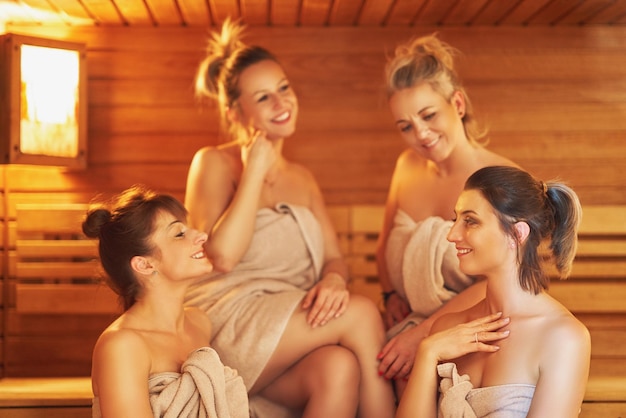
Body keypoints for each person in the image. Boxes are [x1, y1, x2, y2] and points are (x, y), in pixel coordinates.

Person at [183, 19, 395, 418]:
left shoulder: (304, 179)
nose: (282, 103)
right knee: (363, 313)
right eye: (263, 98)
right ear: (234, 111)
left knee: (338, 369)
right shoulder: (213, 163)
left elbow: (335, 259)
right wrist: (254, 172)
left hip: (288, 325)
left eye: (284, 88)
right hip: (229, 320)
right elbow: (222, 257)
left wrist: (333, 279)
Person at [375, 33, 518, 388]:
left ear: (457, 103)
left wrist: (425, 335)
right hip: (406, 323)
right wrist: (391, 293)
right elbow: (383, 243)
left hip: (476, 329)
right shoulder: (406, 166)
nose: (420, 134)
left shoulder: (500, 180)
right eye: (406, 126)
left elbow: (503, 279)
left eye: (428, 115)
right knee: (348, 364)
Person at [396, 165, 591, 417]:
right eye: (456, 219)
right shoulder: (446, 330)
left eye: (471, 221)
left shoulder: (564, 338)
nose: (452, 234)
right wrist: (428, 352)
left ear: (517, 234)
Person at [85, 185, 249, 418]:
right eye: (179, 234)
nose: (201, 235)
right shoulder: (121, 346)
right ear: (145, 264)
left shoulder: (200, 323)